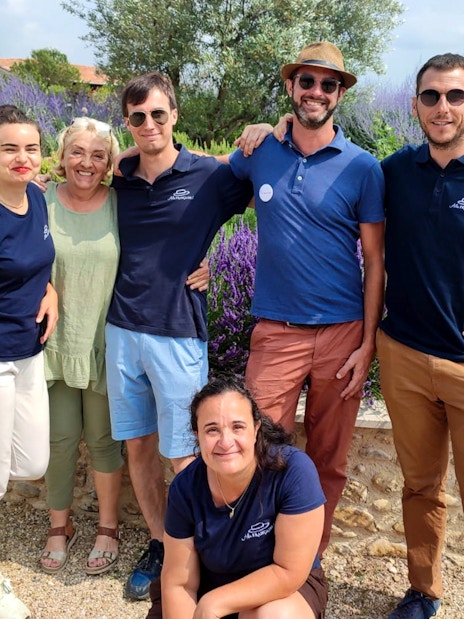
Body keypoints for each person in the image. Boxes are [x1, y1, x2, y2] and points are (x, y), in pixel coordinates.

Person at [228, 41, 386, 556]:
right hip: (276, 331)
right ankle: (255, 552)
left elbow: (375, 261)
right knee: (256, 447)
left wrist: (368, 343)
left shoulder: (363, 168)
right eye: (307, 81)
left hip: (342, 335)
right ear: (291, 87)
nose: (316, 91)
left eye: (328, 84)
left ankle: (307, 561)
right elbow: (203, 188)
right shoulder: (260, 150)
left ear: (339, 94)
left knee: (327, 457)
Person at [37, 117, 209, 577]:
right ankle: (61, 527)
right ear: (61, 155)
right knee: (60, 441)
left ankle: (110, 529)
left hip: (108, 339)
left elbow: (168, 231)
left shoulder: (120, 199)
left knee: (111, 443)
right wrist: (43, 288)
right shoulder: (40, 200)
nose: (86, 163)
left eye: (98, 155)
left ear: (111, 162)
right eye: (77, 152)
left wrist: (201, 258)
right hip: (55, 343)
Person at [105, 71, 253, 600]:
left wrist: (268, 124)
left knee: (185, 455)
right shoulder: (117, 177)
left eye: (158, 115)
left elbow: (272, 191)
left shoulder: (210, 177)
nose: (150, 125)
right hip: (121, 330)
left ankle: (198, 552)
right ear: (128, 122)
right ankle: (160, 543)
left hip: (177, 334)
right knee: (139, 446)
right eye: (138, 117)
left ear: (175, 116)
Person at [377, 53, 464, 619]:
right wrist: (274, 127)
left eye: (455, 96)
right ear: (414, 105)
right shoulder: (392, 172)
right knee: (421, 486)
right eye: (431, 96)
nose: (443, 107)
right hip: (404, 353)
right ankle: (423, 591)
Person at [158, 376, 327, 619]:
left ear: (256, 428)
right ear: (197, 434)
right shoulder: (185, 488)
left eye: (237, 427)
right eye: (212, 429)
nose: (226, 442)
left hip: (283, 589)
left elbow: (288, 572)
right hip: (209, 584)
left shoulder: (293, 471)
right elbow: (180, 584)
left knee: (272, 616)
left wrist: (214, 602)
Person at [0, 106, 57, 619]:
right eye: (9, 148)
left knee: (32, 462)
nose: (23, 158)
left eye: (31, 148)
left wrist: (52, 291)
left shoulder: (36, 198)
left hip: (29, 353)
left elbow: (40, 260)